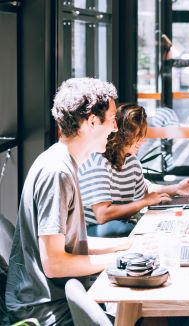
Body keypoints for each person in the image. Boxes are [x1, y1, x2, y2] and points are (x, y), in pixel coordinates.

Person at [5, 78, 132, 325]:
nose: (116, 128)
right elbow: (55, 263)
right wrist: (124, 258)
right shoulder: (58, 172)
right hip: (46, 310)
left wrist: (126, 246)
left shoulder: (62, 162)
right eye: (112, 118)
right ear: (92, 122)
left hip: (56, 299)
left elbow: (70, 244)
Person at [78, 103, 189, 238]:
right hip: (92, 230)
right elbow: (102, 215)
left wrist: (176, 189)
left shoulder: (131, 161)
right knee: (124, 229)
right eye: (138, 135)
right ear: (123, 135)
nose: (143, 140)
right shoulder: (99, 162)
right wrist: (145, 202)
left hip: (118, 223)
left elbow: (146, 191)